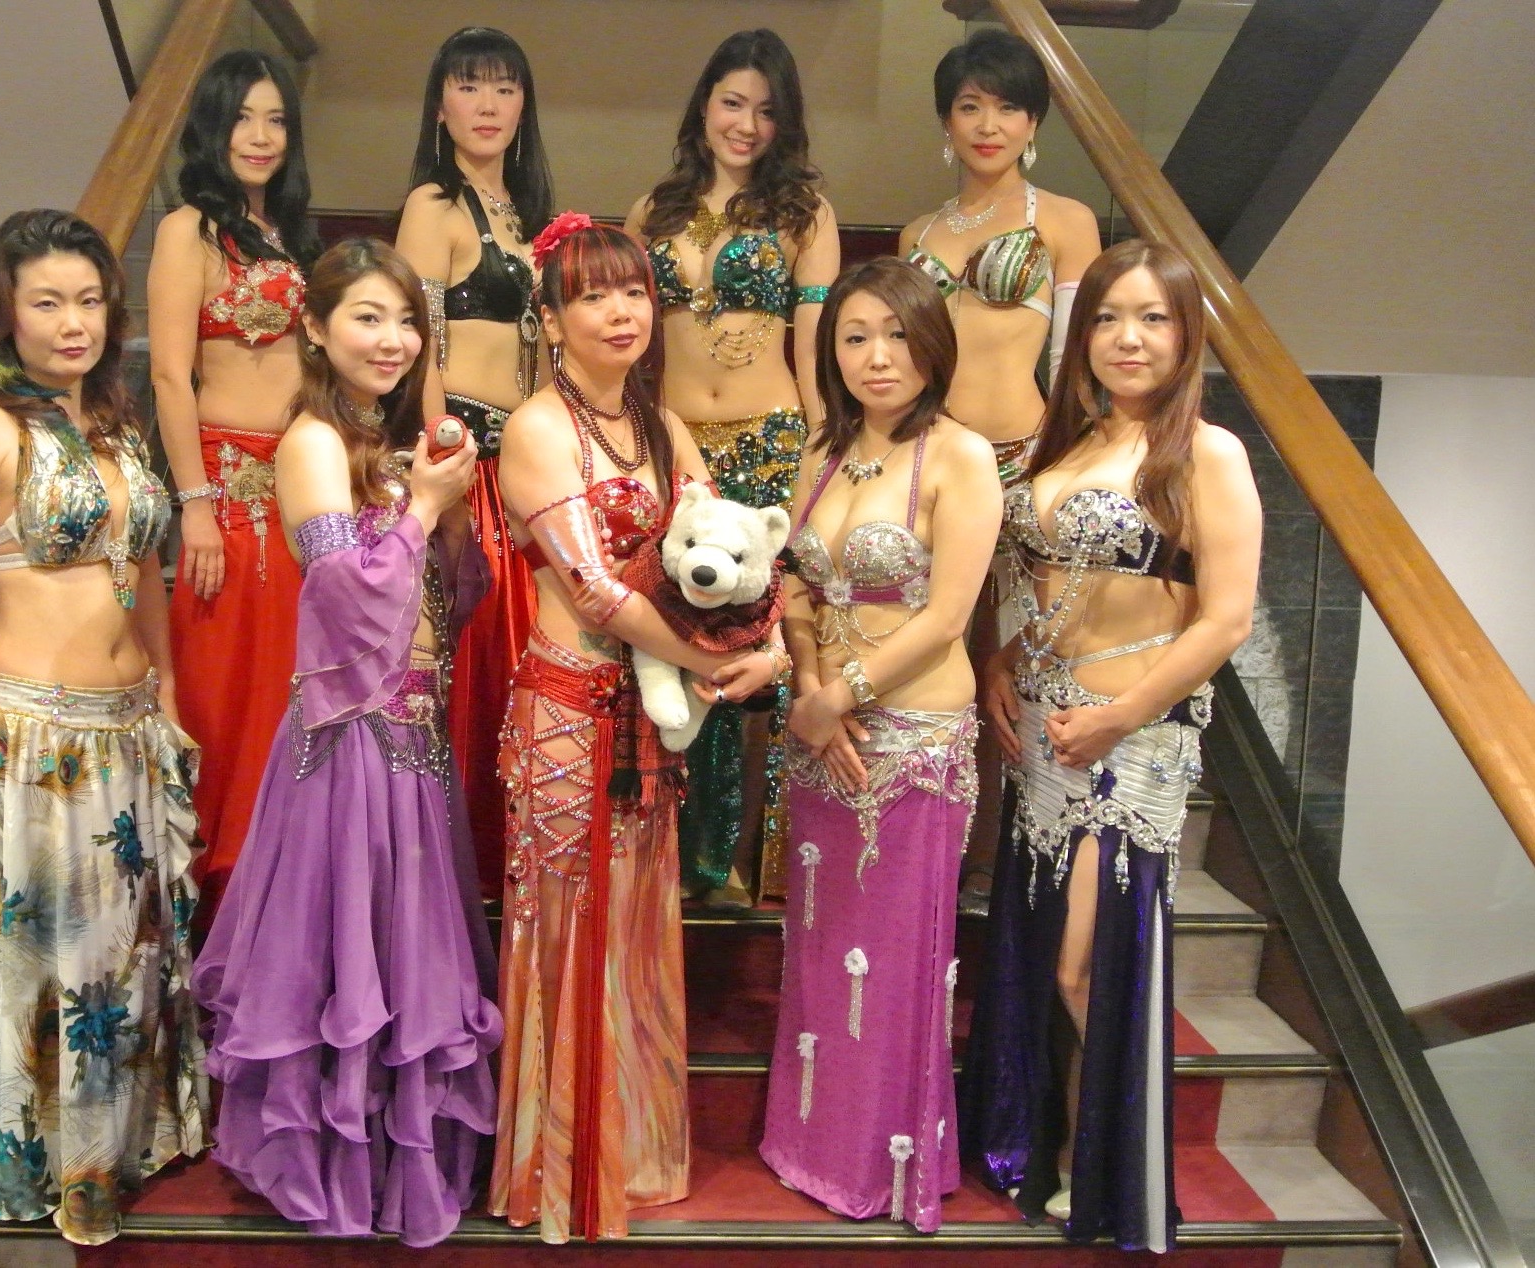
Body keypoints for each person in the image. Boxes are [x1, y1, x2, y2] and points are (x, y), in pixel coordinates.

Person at [190, 239, 500, 1249]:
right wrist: (426, 508)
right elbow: (345, 593)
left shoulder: (387, 444)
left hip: (412, 735)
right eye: (368, 317)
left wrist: (448, 511)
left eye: (407, 320)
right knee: (343, 958)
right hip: (348, 741)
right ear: (317, 329)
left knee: (404, 957)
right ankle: (331, 1172)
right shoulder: (314, 441)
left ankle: (386, 1172)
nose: (393, 339)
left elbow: (446, 602)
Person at [961, 239, 1261, 1252]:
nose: (1129, 339)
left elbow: (1225, 620)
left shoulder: (1207, 454)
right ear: (1080, 332)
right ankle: (1040, 1144)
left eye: (1153, 318)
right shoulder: (1069, 447)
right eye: (1107, 317)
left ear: (1187, 335)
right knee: (1035, 947)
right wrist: (1003, 658)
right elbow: (1047, 584)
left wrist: (1120, 715)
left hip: (1127, 745)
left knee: (1085, 963)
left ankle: (1110, 1168)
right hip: (1043, 733)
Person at [0, 209, 205, 1245]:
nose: (73, 322)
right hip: (34, 740)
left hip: (127, 732)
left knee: (125, 960)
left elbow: (150, 577)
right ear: (5, 314)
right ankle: (49, 1168)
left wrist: (167, 695)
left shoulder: (118, 427)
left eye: (89, 301)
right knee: (47, 965)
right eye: (47, 303)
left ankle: (119, 1147)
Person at [490, 218, 782, 1243]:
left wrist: (770, 644)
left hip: (655, 717)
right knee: (568, 925)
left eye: (634, 293)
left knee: (637, 921)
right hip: (569, 709)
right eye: (591, 296)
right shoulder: (538, 428)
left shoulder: (660, 428)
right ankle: (560, 1171)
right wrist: (709, 663)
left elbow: (732, 550)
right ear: (550, 318)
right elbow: (597, 592)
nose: (620, 313)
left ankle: (635, 1153)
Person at [760, 258, 1000, 1228]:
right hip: (823, 735)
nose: (877, 356)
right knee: (823, 955)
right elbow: (795, 583)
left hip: (914, 742)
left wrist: (841, 697)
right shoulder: (822, 449)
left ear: (931, 341)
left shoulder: (961, 456)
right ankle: (810, 1142)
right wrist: (811, 688)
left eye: (896, 334)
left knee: (893, 964)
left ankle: (880, 1164)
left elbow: (947, 617)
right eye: (855, 337)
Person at [626, 28, 839, 907]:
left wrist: (818, 459)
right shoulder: (654, 210)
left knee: (755, 646)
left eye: (766, 110)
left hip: (768, 444)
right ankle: (664, 847)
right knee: (668, 641)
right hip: (677, 449)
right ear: (703, 105)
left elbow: (817, 355)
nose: (746, 124)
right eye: (732, 102)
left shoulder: (804, 214)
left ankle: (736, 858)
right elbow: (630, 347)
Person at [900, 30, 1103, 900]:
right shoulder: (918, 232)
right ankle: (924, 836)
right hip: (930, 464)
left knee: (1009, 655)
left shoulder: (1064, 221)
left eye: (1009, 107)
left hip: (1024, 462)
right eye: (970, 106)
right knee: (928, 648)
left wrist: (1071, 464)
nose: (989, 125)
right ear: (946, 121)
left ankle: (996, 855)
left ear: (1034, 122)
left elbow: (1077, 361)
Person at [149, 49, 322, 933]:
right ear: (211, 129)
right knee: (226, 690)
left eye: (276, 119)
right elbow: (170, 376)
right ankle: (220, 908)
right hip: (227, 492)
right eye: (243, 118)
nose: (261, 136)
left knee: (292, 686)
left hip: (302, 489)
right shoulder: (189, 230)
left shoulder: (290, 232)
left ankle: (287, 899)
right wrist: (196, 504)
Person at [396, 26, 555, 899]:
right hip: (463, 463)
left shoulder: (526, 214)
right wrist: (441, 465)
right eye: (469, 86)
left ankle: (511, 856)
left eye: (504, 87)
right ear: (439, 104)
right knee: (471, 657)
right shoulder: (434, 205)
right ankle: (454, 871)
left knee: (522, 662)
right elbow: (415, 344)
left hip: (524, 466)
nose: (487, 105)